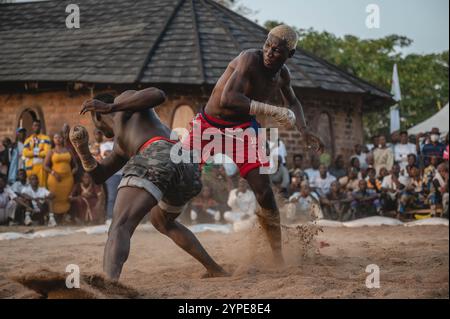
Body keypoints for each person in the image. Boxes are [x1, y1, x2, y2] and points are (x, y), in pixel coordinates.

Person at [180, 24, 323, 265]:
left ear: (290, 55)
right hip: (208, 125)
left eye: (277, 50)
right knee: (178, 176)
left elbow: (294, 102)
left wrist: (304, 130)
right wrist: (271, 109)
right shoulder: (249, 59)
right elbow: (229, 98)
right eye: (267, 45)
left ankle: (277, 257)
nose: (269, 52)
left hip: (242, 131)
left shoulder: (283, 75)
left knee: (265, 192)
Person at [71, 89, 226, 281]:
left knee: (119, 225)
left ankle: (109, 284)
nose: (98, 131)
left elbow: (158, 95)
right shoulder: (120, 146)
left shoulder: (124, 101)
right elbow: (100, 176)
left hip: (159, 150)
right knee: (162, 222)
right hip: (187, 167)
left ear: (98, 115)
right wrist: (83, 152)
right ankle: (214, 269)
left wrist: (111, 106)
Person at [44, 132, 78, 224]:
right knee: (55, 197)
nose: (58, 139)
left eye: (59, 137)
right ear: (53, 140)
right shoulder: (51, 151)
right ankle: (54, 218)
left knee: (66, 197)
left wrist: (73, 171)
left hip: (67, 179)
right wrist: (53, 173)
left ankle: (65, 217)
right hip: (55, 179)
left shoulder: (69, 151)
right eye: (56, 137)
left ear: (63, 139)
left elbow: (75, 165)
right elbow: (45, 166)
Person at [23, 120, 51, 187]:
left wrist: (32, 153)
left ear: (40, 127)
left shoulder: (46, 138)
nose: (36, 127)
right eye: (35, 125)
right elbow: (25, 153)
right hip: (30, 167)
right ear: (32, 127)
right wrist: (39, 152)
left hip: (41, 166)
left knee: (41, 186)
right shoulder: (28, 140)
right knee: (30, 187)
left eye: (38, 125)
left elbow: (47, 153)